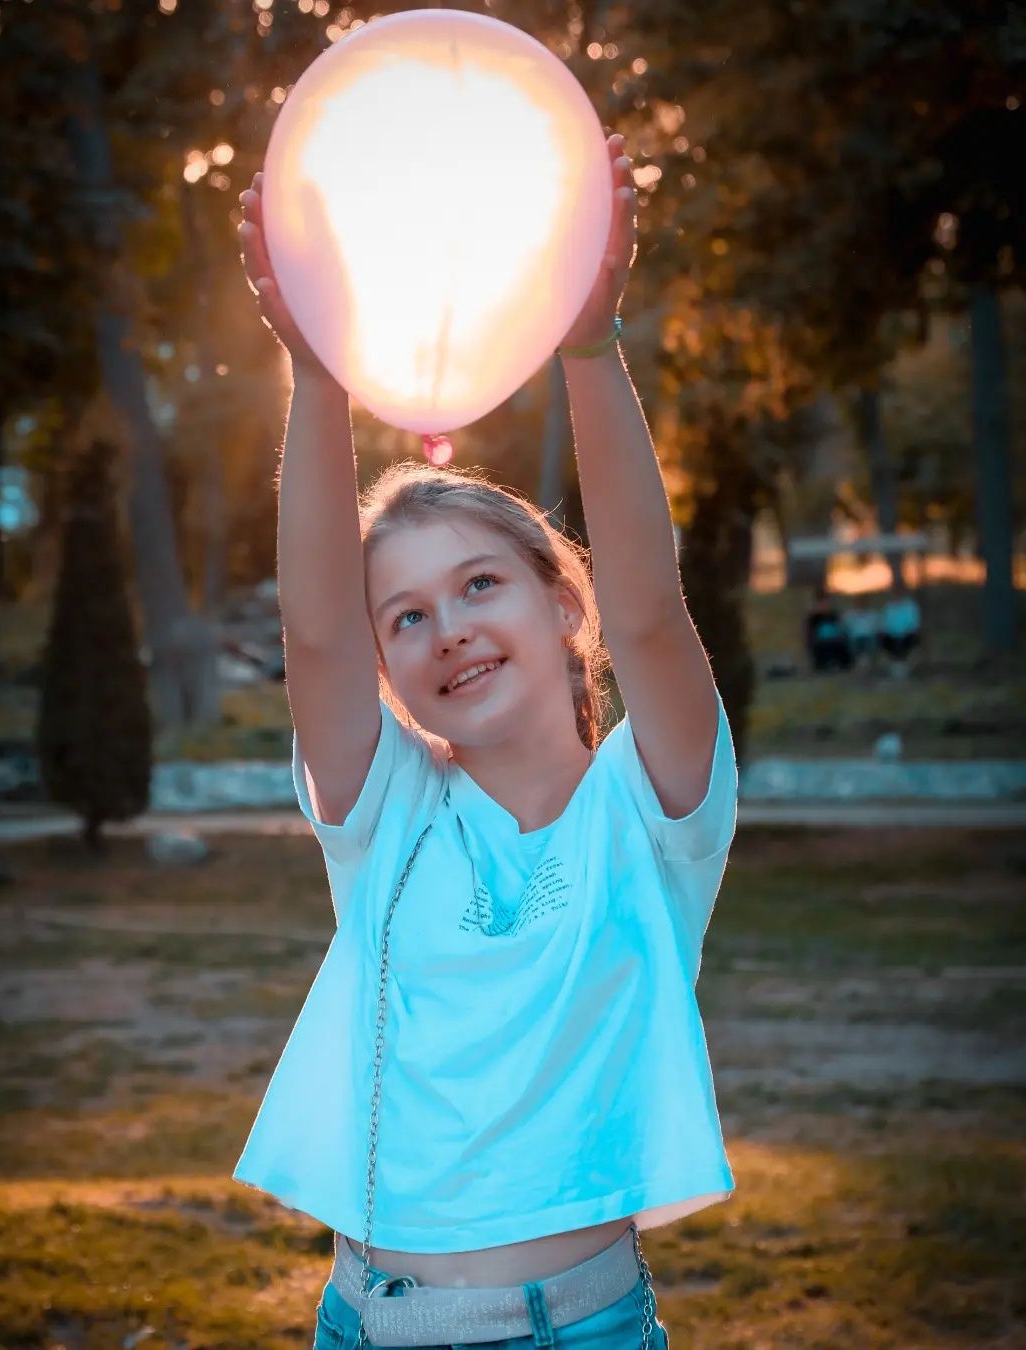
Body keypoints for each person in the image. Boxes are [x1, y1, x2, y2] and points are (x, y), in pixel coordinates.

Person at [232, 133, 739, 1350]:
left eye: (477, 588)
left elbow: (657, 609)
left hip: (575, 1330)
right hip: (361, 1320)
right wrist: (314, 371)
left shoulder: (655, 811)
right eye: (405, 616)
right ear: (390, 662)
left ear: (565, 600)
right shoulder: (387, 815)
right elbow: (315, 633)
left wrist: (588, 342)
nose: (445, 630)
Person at [804, 585, 852, 673]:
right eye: (823, 603)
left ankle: (844, 665)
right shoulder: (814, 617)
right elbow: (810, 632)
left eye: (827, 602)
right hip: (821, 641)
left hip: (835, 639)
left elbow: (841, 627)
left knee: (840, 644)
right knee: (824, 646)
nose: (825, 605)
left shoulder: (834, 615)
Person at [879, 580, 921, 677]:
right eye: (895, 591)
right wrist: (891, 633)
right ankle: (894, 667)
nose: (897, 593)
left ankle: (904, 667)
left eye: (900, 591)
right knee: (885, 640)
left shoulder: (910, 606)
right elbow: (884, 625)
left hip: (907, 636)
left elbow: (913, 624)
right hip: (891, 636)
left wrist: (903, 634)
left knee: (911, 639)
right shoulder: (888, 608)